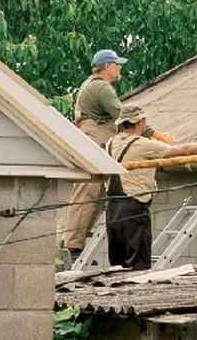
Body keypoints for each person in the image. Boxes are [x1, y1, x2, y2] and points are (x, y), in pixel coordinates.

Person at [105, 104, 197, 270]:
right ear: (140, 122)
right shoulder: (143, 144)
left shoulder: (110, 143)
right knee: (137, 267)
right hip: (133, 209)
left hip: (111, 210)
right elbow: (183, 149)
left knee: (117, 266)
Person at [61, 48, 128, 259]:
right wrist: (150, 133)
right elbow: (123, 116)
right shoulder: (102, 88)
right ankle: (73, 244)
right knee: (88, 193)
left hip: (91, 140)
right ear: (107, 66)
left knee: (95, 193)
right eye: (117, 64)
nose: (119, 68)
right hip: (96, 141)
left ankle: (73, 240)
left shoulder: (88, 85)